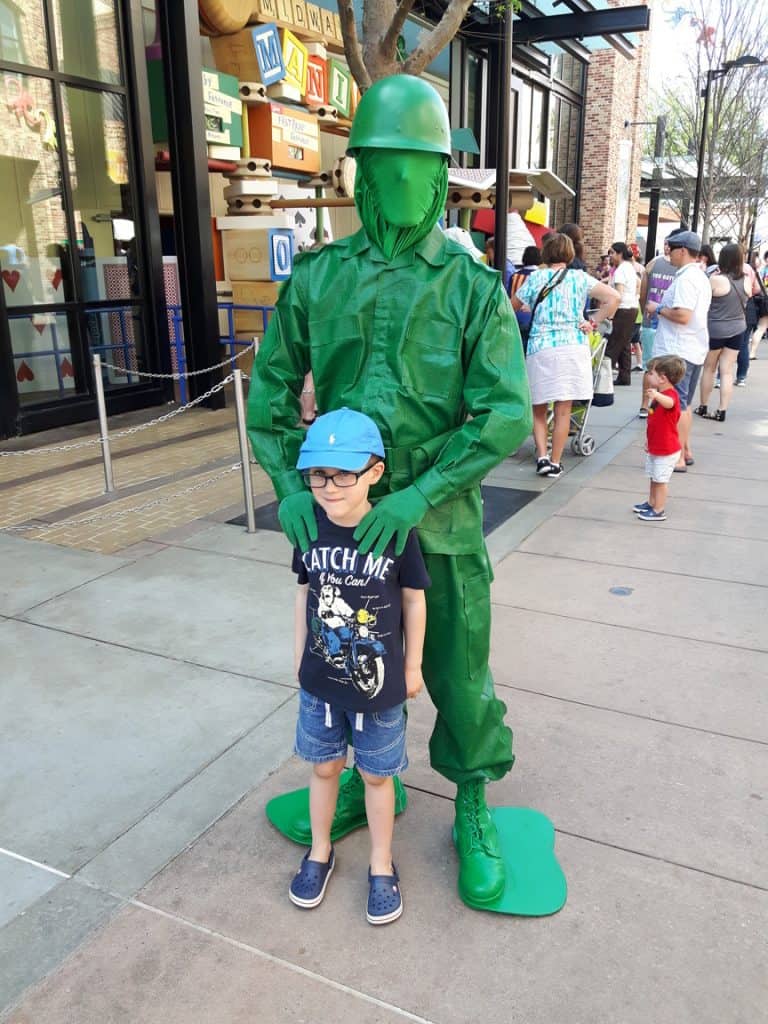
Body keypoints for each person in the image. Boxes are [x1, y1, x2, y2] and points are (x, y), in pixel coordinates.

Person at [247, 75, 533, 910]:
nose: (404, 184)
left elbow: (504, 413)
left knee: (456, 666)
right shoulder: (318, 278)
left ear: (442, 174)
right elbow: (269, 394)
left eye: (420, 166)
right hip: (338, 528)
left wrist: (418, 494)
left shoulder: (471, 287)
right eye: (387, 165)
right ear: (358, 171)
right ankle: (370, 785)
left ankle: (472, 795)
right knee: (337, 663)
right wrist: (288, 489)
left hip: (437, 527)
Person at [288, 408, 429, 925]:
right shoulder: (308, 528)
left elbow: (414, 601)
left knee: (375, 775)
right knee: (324, 766)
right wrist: (300, 653)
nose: (329, 487)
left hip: (381, 688)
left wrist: (413, 667)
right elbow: (304, 592)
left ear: (374, 471)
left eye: (343, 473)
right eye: (318, 474)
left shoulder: (395, 532)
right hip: (320, 681)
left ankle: (380, 863)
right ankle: (320, 852)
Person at [512, 232, 619, 479]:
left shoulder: (536, 277)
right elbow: (613, 298)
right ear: (570, 253)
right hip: (572, 347)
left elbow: (510, 306)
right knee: (563, 410)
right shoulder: (580, 278)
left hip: (541, 348)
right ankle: (556, 462)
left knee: (538, 407)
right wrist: (593, 322)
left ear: (546, 253)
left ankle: (541, 457)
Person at [645, 230, 711, 473]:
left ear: (682, 251)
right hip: (691, 347)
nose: (668, 253)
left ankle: (680, 456)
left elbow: (683, 315)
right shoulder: (699, 276)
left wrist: (658, 308)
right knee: (684, 403)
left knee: (678, 405)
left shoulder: (686, 279)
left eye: (670, 249)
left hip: (679, 349)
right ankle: (685, 450)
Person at [693, 243, 749, 423]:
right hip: (738, 329)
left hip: (715, 330)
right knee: (727, 371)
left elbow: (702, 302)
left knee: (709, 368)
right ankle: (722, 410)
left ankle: (703, 406)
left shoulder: (716, 280)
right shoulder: (746, 280)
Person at [633, 355, 686, 522]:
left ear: (663, 378)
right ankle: (651, 502)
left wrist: (656, 396)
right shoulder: (660, 395)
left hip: (666, 448)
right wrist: (649, 441)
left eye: (651, 373)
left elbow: (670, 403)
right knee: (654, 477)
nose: (648, 376)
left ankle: (659, 509)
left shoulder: (670, 395)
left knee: (661, 480)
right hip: (657, 445)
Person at [638, 235, 678, 417]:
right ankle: (660, 402)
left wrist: (644, 309)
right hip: (669, 322)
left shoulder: (652, 264)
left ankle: (645, 405)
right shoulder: (681, 270)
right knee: (667, 367)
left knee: (650, 366)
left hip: (652, 318)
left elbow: (643, 292)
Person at [606, 242, 640, 385]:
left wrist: (611, 314)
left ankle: (603, 378)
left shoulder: (620, 270)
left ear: (620, 254)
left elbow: (618, 295)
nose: (610, 257)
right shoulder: (630, 267)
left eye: (612, 253)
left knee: (613, 344)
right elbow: (638, 283)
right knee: (625, 344)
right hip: (632, 308)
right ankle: (624, 376)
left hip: (623, 309)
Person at [508, 244, 541, 344]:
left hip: (515, 318)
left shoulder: (515, 276)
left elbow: (509, 296)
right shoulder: (541, 276)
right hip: (533, 318)